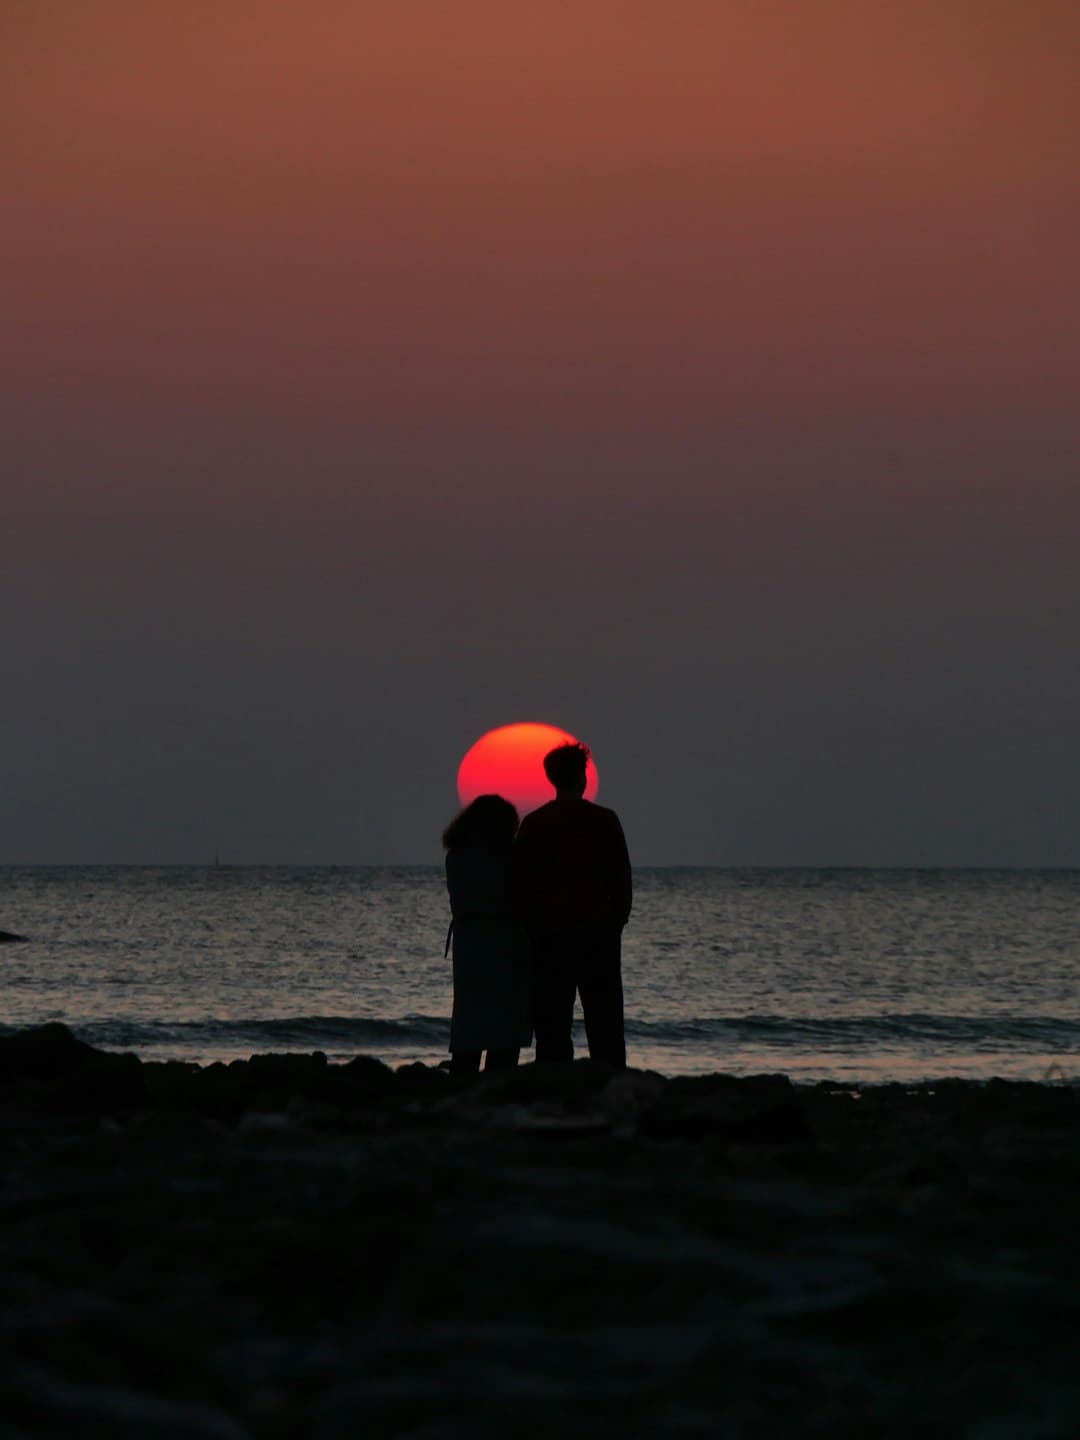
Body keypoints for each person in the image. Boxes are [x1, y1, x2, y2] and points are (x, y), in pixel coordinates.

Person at [513, 742, 632, 1067]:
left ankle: (555, 1084)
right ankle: (609, 1083)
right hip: (598, 934)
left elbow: (521, 885)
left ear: (551, 777)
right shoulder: (604, 820)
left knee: (552, 1025)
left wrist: (532, 927)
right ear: (582, 776)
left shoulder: (534, 823)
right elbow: (622, 881)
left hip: (550, 936)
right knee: (605, 1024)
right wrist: (615, 922)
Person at [442, 794, 532, 1075]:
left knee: (469, 1020)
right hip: (506, 943)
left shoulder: (456, 856)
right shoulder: (508, 858)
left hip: (469, 945)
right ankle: (496, 1084)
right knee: (506, 1027)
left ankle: (461, 1081)